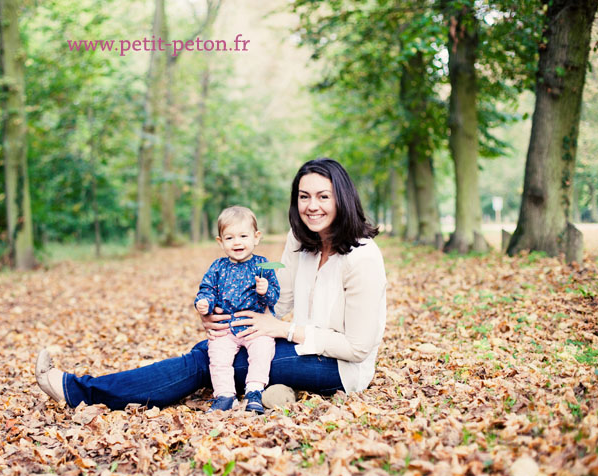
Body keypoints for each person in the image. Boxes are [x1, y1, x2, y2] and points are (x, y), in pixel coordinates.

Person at [35, 158, 386, 411]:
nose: (312, 206)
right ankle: (87, 389)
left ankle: (81, 392)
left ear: (342, 197)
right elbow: (278, 302)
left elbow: (358, 347)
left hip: (340, 367)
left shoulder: (363, 258)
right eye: (304, 196)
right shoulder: (300, 239)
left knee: (205, 362)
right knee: (216, 346)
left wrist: (284, 330)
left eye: (323, 196)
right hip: (297, 344)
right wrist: (225, 318)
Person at [195, 206, 280, 413]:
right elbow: (207, 288)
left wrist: (265, 290)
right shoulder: (218, 267)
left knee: (263, 350)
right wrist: (203, 303)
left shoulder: (262, 264)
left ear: (256, 237)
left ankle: (254, 391)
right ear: (220, 241)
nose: (237, 242)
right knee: (217, 356)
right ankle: (225, 395)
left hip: (254, 327)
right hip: (226, 328)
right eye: (230, 238)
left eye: (243, 236)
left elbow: (275, 295)